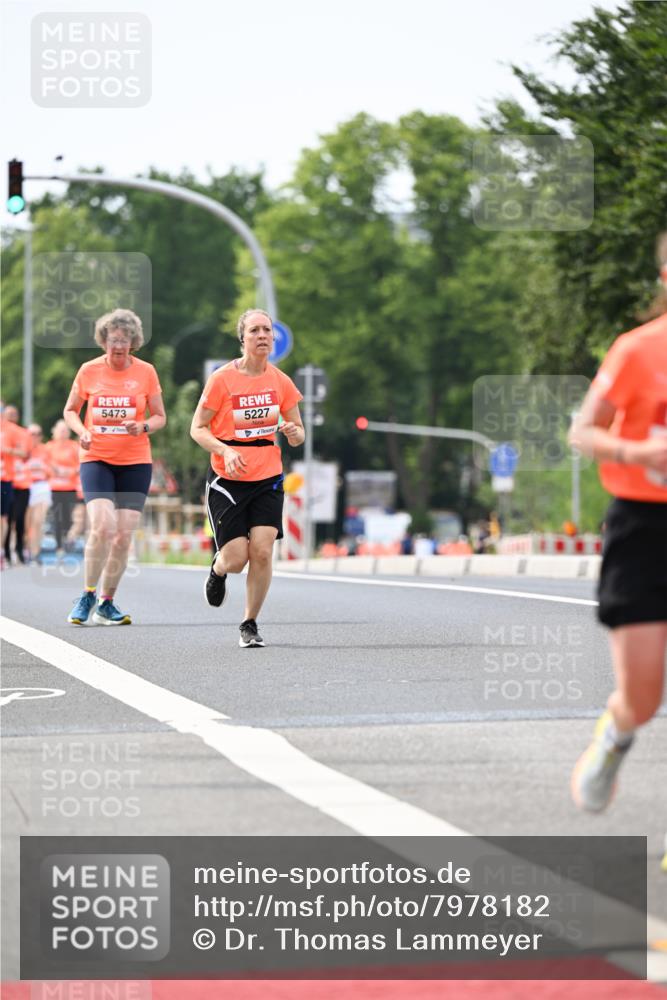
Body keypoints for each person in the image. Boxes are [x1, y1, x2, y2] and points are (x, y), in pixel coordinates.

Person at [569, 233, 667, 872]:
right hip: (644, 525)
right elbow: (582, 432)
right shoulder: (638, 350)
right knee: (644, 696)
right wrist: (637, 451)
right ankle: (616, 734)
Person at [190, 308, 304, 647]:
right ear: (242, 338)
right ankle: (218, 569)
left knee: (263, 552)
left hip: (268, 476)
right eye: (255, 330)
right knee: (237, 559)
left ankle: (249, 623)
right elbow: (197, 428)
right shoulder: (222, 379)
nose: (262, 335)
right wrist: (225, 451)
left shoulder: (281, 381)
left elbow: (299, 433)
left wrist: (293, 432)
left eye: (267, 330)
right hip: (227, 478)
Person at [63, 308, 166, 624]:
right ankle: (87, 594)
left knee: (122, 535)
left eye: (124, 340)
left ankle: (107, 601)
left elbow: (160, 416)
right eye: (113, 340)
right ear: (103, 341)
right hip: (96, 458)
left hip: (135, 462)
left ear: (133, 342)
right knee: (102, 527)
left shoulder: (146, 372)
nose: (118, 346)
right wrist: (82, 432)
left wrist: (142, 426)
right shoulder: (89, 371)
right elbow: (70, 410)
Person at [45, 419, 81, 554]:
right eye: (60, 430)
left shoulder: (74, 446)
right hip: (54, 488)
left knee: (68, 518)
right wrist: (54, 469)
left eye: (65, 430)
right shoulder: (49, 446)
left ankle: (67, 540)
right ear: (54, 431)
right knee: (56, 517)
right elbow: (44, 463)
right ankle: (59, 546)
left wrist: (71, 471)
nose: (63, 433)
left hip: (70, 487)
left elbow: (81, 464)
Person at [1, 404, 29, 568]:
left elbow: (24, 453)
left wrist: (6, 449)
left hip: (7, 479)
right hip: (10, 480)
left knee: (7, 518)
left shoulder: (14, 430)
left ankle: (5, 552)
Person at [25, 424, 52, 563]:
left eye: (38, 433)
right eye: (32, 434)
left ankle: (35, 552)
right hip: (25, 486)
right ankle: (24, 549)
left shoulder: (45, 450)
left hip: (41, 486)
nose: (35, 437)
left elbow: (52, 468)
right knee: (25, 522)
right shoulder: (22, 450)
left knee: (38, 521)